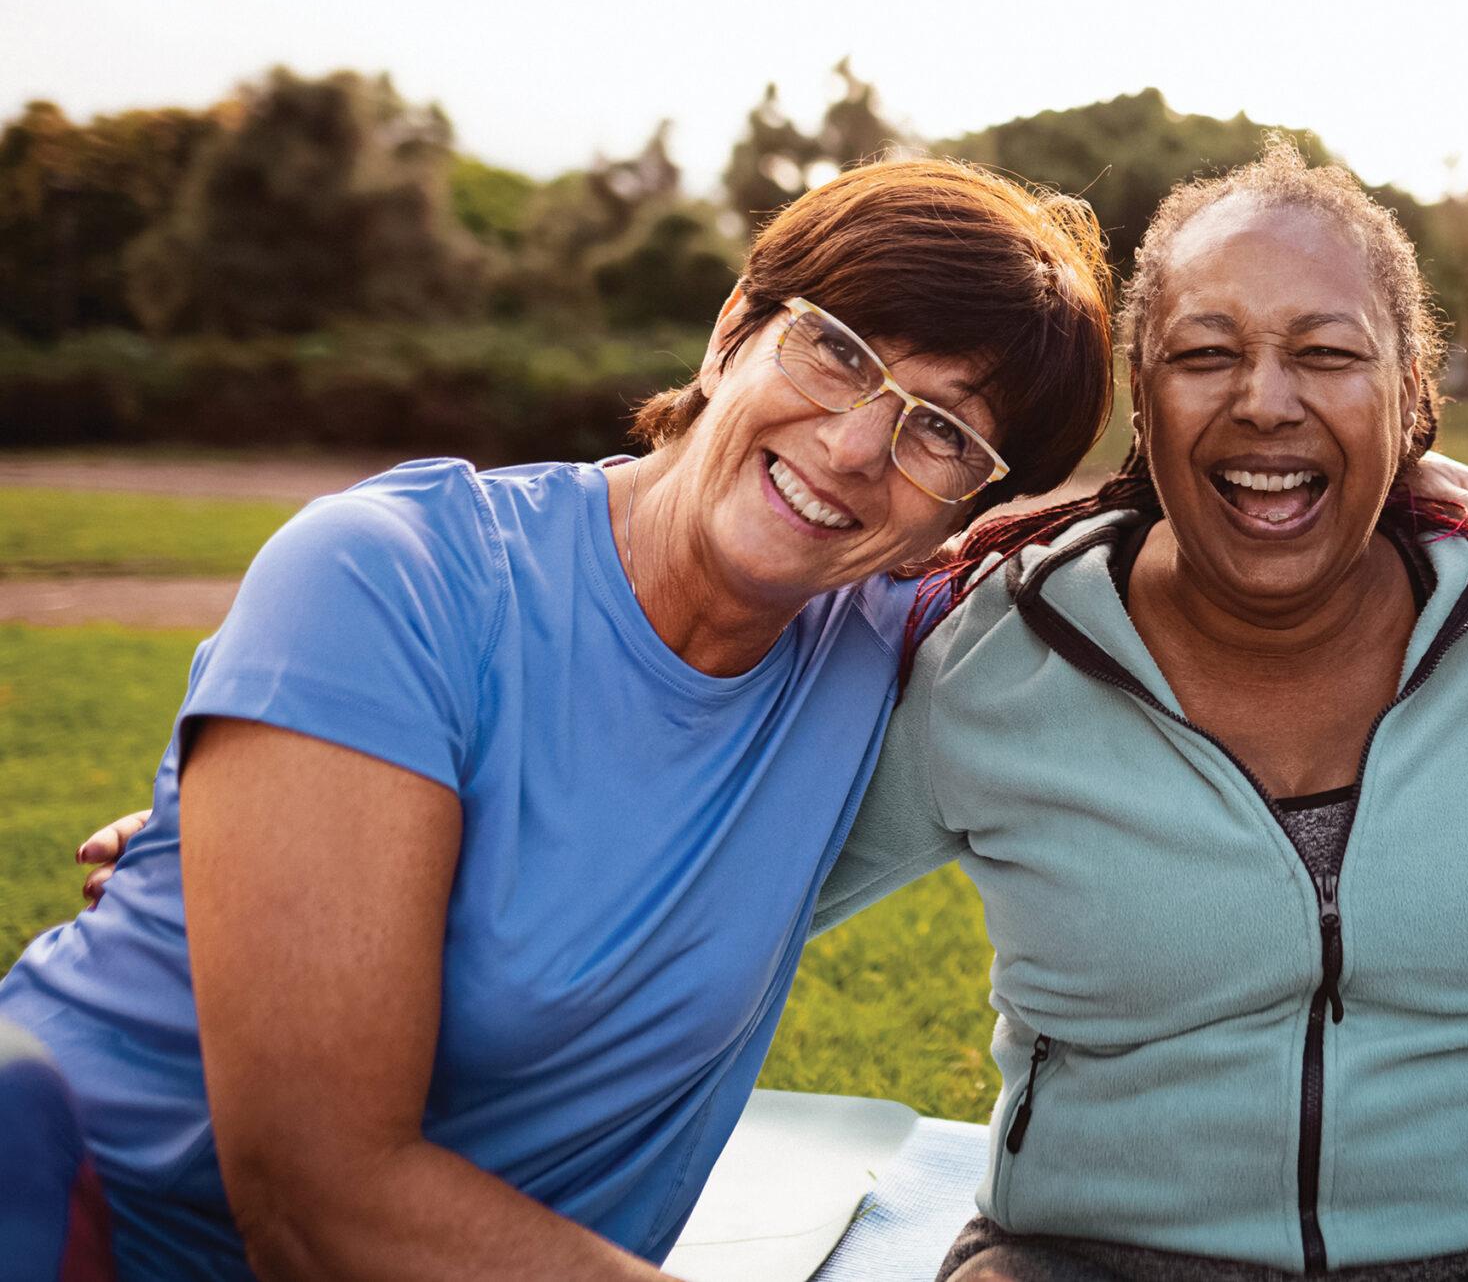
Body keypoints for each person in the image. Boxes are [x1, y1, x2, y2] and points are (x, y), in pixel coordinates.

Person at [0, 158, 1119, 1280]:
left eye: (943, 434)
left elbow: (1192, 565)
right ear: (734, 330)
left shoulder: (899, 649)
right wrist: (272, 819)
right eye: (838, 350)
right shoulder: (393, 575)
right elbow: (319, 1202)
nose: (853, 446)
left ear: (969, 504)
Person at [819, 145, 1468, 1282]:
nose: (1264, 399)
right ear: (1142, 407)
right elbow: (740, 908)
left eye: (1328, 355)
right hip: (1075, 1257)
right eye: (1204, 356)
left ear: (1412, 399)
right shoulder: (991, 654)